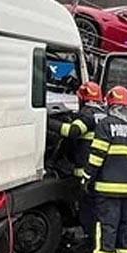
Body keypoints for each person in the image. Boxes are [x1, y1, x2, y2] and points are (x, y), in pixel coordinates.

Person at [82, 86, 127, 253]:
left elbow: (96, 155)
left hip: (107, 188)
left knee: (106, 228)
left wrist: (86, 177)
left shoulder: (105, 125)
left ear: (110, 105)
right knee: (126, 227)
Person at [48, 82, 109, 242]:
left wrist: (47, 121)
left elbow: (72, 131)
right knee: (98, 209)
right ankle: (98, 238)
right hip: (101, 171)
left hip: (85, 172)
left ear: (83, 98)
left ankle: (91, 240)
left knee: (87, 209)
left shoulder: (88, 115)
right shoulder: (104, 114)